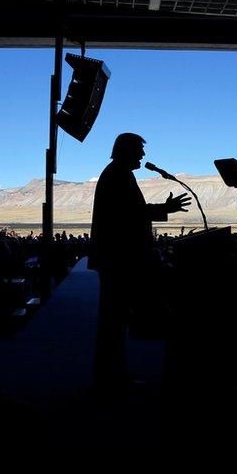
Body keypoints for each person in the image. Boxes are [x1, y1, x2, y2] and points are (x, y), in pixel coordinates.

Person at [88, 132, 190, 397]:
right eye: (139, 151)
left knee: (115, 321)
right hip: (118, 260)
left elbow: (131, 212)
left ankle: (112, 376)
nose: (143, 156)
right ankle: (110, 380)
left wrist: (162, 209)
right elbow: (129, 214)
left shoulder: (118, 173)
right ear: (127, 150)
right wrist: (165, 209)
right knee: (113, 321)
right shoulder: (117, 175)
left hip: (116, 259)